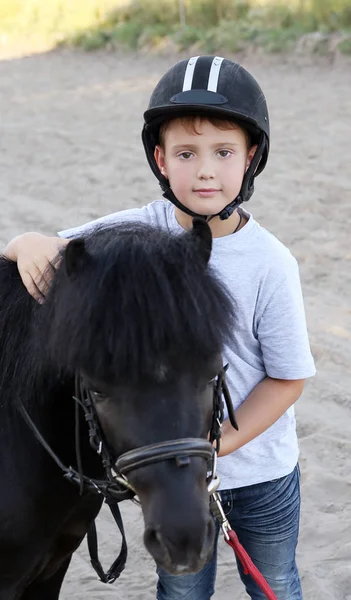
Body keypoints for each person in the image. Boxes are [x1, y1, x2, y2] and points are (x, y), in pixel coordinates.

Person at [4, 56, 315, 599]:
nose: (205, 172)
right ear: (160, 160)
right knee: (182, 588)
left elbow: (289, 378)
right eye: (186, 154)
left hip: (259, 472)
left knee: (276, 581)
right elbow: (56, 254)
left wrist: (213, 445)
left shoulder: (271, 263)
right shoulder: (132, 233)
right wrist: (26, 242)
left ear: (251, 159)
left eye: (224, 153)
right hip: (173, 474)